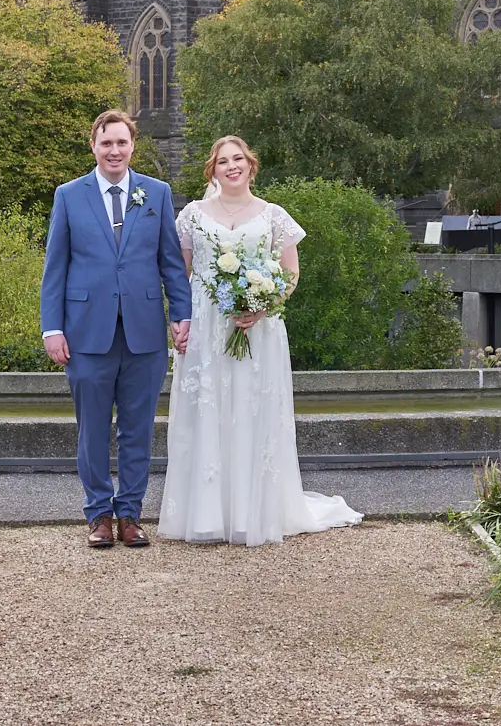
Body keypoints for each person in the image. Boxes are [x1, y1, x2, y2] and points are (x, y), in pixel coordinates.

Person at [158, 135, 362, 546]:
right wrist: (176, 321)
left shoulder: (273, 215)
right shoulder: (192, 216)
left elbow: (290, 274)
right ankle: (206, 514)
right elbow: (180, 275)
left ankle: (255, 510)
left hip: (258, 328)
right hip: (206, 325)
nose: (231, 166)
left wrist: (262, 306)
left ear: (251, 166)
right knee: (206, 412)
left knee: (252, 410)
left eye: (238, 159)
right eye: (222, 161)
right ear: (212, 170)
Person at [40, 110, 191, 550]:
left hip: (143, 332)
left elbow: (170, 263)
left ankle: (130, 514)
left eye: (122, 143)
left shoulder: (156, 194)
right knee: (91, 428)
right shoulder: (69, 196)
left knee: (138, 428)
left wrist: (181, 314)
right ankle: (98, 516)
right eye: (106, 143)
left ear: (132, 147)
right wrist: (53, 328)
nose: (114, 151)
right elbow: (56, 268)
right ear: (94, 146)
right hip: (86, 333)